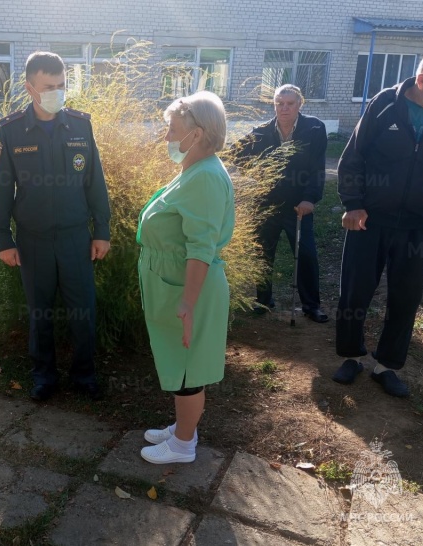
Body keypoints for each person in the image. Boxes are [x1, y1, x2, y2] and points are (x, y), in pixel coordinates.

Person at [334, 45, 423, 397]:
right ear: (422, 79)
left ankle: (387, 365)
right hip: (369, 218)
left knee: (406, 296)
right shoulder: (385, 104)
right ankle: (352, 356)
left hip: (417, 222)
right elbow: (353, 156)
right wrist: (353, 204)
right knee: (355, 291)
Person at [0, 51, 111, 402]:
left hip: (76, 237)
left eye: (61, 85)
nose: (57, 92)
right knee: (39, 314)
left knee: (83, 312)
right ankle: (43, 377)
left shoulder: (79, 125)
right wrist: (3, 237)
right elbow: (2, 188)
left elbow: (95, 182)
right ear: (30, 87)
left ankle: (84, 375)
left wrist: (101, 229)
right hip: (33, 240)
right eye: (49, 86)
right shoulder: (12, 130)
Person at [137, 91, 235, 464]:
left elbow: (201, 247)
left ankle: (183, 445)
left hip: (188, 289)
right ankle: (182, 428)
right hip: (174, 283)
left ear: (198, 133)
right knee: (179, 364)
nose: (167, 138)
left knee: (188, 370)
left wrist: (188, 303)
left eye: (173, 130)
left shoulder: (206, 177)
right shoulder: (195, 170)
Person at [234, 84, 328, 322]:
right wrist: (256, 174)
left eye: (290, 104)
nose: (284, 108)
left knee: (306, 254)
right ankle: (263, 301)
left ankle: (311, 306)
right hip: (266, 203)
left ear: (300, 105)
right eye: (279, 103)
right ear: (274, 105)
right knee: (263, 253)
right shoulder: (261, 131)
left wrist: (309, 198)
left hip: (299, 205)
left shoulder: (314, 128)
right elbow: (235, 153)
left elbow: (317, 168)